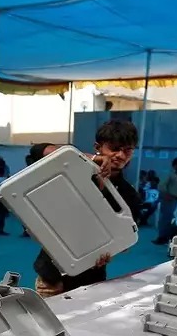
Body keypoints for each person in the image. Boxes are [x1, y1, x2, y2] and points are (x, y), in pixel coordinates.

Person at [32, 119, 140, 297]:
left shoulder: (129, 195)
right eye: (114, 148)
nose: (121, 155)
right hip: (52, 275)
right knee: (49, 315)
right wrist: (92, 159)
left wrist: (109, 251)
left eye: (127, 150)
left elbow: (126, 239)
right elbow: (39, 150)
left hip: (92, 276)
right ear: (98, 147)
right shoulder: (72, 167)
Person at [154, 157, 177, 245]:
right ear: (176, 165)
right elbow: (161, 185)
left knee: (173, 218)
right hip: (169, 199)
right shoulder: (169, 173)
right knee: (166, 218)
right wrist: (166, 195)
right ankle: (162, 237)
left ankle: (168, 236)